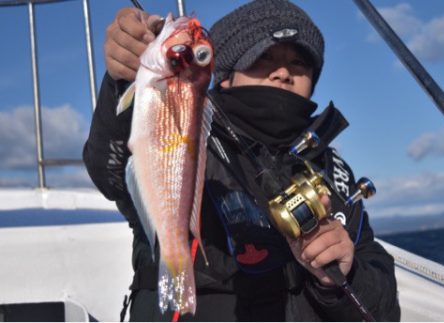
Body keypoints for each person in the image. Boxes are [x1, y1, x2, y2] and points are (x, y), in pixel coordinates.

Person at [83, 0, 401, 321]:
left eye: (299, 62)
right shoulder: (191, 132)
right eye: (262, 58)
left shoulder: (332, 170)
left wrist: (345, 274)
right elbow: (109, 170)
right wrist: (122, 81)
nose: (283, 72)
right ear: (224, 76)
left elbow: (384, 311)